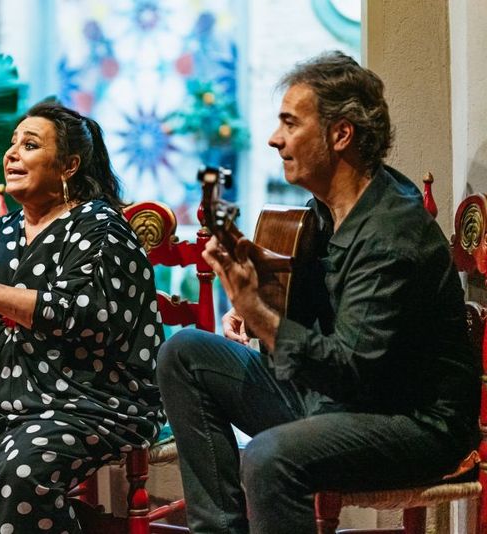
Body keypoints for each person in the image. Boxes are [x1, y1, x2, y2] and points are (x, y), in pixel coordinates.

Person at [157, 51, 480, 533]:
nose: (274, 138)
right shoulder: (324, 211)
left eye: (290, 123)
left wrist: (261, 317)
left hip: (410, 422)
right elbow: (318, 325)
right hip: (331, 399)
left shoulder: (392, 234)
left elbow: (353, 371)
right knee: (184, 353)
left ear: (340, 134)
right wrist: (262, 295)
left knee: (270, 458)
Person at [0, 101, 164, 532]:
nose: (11, 153)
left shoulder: (101, 228)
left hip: (89, 398)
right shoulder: (0, 231)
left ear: (69, 165)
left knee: (22, 467)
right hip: (0, 396)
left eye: (30, 144)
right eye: (12, 144)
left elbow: (80, 316)